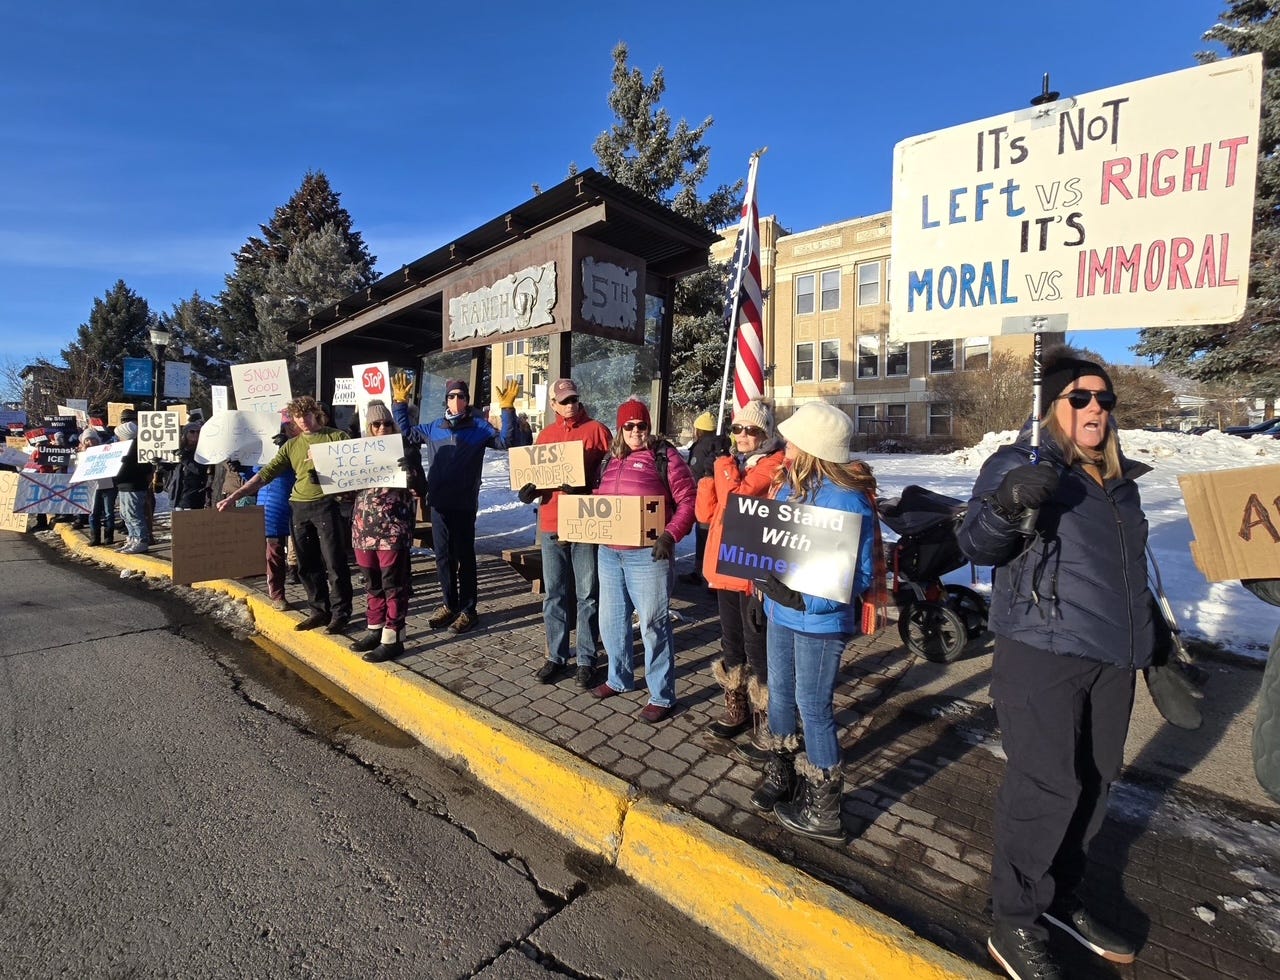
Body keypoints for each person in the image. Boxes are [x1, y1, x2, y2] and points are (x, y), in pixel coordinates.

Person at [956, 347, 1194, 980]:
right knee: (1047, 785)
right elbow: (976, 543)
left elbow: (1129, 574)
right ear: (1052, 407)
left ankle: (1060, 896)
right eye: (1080, 397)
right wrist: (1007, 504)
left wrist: (1153, 640)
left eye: (1105, 399)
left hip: (1112, 656)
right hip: (1042, 650)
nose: (1096, 408)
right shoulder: (1019, 463)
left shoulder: (1119, 484)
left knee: (1096, 778)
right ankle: (1014, 918)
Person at [748, 401, 876, 846]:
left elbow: (859, 575)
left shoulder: (847, 499)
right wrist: (761, 589)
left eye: (792, 439)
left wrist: (804, 598)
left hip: (818, 622)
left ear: (813, 446)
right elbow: (775, 548)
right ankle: (782, 772)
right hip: (781, 613)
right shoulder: (790, 487)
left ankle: (824, 808)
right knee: (780, 694)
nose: (784, 444)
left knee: (813, 705)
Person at [590, 398, 696, 723]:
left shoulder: (664, 456)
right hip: (610, 553)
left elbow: (688, 500)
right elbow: (598, 501)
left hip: (648, 555)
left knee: (652, 625)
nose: (637, 431)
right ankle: (618, 678)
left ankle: (662, 695)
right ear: (620, 429)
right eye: (630, 426)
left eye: (642, 425)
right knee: (611, 622)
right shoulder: (609, 460)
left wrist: (670, 535)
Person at [390, 372, 518, 634]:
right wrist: (399, 404)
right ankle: (449, 604)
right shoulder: (434, 427)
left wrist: (507, 409)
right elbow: (405, 433)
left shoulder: (479, 427)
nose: (456, 400)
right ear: (446, 400)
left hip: (464, 504)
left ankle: (469, 610)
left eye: (461, 396)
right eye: (451, 396)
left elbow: (506, 441)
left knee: (465, 558)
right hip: (439, 503)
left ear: (467, 400)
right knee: (443, 558)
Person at [217, 395, 354, 634]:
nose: (303, 420)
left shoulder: (336, 437)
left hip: (326, 505)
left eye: (307, 414)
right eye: (298, 417)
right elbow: (265, 474)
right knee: (306, 564)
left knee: (334, 562)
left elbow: (355, 469)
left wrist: (329, 472)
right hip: (299, 506)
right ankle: (319, 611)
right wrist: (234, 496)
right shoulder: (292, 445)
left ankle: (341, 614)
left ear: (316, 414)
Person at [694, 400, 785, 747]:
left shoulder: (773, 464)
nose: (743, 435)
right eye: (737, 429)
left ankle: (767, 715)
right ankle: (737, 706)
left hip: (751, 572)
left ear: (766, 434)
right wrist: (707, 475)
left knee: (756, 645)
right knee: (731, 641)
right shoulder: (736, 465)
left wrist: (722, 466)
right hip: (724, 567)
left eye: (752, 430)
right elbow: (706, 515)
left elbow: (737, 503)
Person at [517, 378, 613, 688]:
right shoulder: (546, 435)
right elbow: (535, 477)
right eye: (564, 401)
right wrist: (528, 492)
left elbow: (613, 477)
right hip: (551, 522)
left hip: (584, 522)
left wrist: (587, 488)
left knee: (588, 595)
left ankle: (586, 658)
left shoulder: (597, 431)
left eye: (573, 399)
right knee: (554, 593)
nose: (570, 404)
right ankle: (556, 656)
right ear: (553, 405)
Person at [347, 400, 417, 663]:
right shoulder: (358, 454)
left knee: (393, 584)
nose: (382, 428)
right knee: (372, 582)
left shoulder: (405, 449)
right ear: (369, 427)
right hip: (363, 529)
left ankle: (393, 636)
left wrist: (410, 471)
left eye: (387, 423)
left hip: (392, 529)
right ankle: (375, 629)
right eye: (376, 424)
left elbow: (420, 488)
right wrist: (323, 480)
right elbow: (347, 492)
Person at [682, 410, 731, 586]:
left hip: (705, 497)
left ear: (699, 430)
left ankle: (702, 573)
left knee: (703, 535)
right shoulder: (718, 445)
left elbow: (695, 473)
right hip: (718, 497)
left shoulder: (701, 447)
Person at [113, 415, 154, 554]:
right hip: (123, 485)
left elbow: (144, 468)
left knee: (134, 514)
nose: (118, 438)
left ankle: (141, 540)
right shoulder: (123, 449)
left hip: (134, 485)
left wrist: (123, 462)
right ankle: (132, 538)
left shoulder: (137, 449)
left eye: (120, 436)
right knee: (125, 514)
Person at [76, 427, 117, 547]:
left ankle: (109, 536)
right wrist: (82, 455)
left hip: (107, 485)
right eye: (87, 440)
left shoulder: (106, 450)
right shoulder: (81, 455)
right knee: (93, 512)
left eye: (92, 439)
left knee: (109, 512)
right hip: (92, 487)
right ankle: (95, 537)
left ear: (97, 440)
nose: (90, 442)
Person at [162, 422, 213, 510]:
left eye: (198, 431)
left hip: (194, 495)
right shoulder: (179, 449)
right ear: (185, 434)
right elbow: (172, 468)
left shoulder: (204, 450)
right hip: (178, 494)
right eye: (192, 431)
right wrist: (160, 462)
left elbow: (199, 470)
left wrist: (183, 458)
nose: (196, 434)